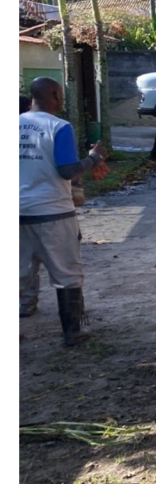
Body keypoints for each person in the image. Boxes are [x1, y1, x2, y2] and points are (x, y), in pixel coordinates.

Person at [19, 77, 107, 343]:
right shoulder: (59, 127)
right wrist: (94, 158)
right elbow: (67, 169)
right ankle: (72, 331)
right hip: (52, 212)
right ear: (56, 95)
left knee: (18, 270)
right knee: (66, 272)